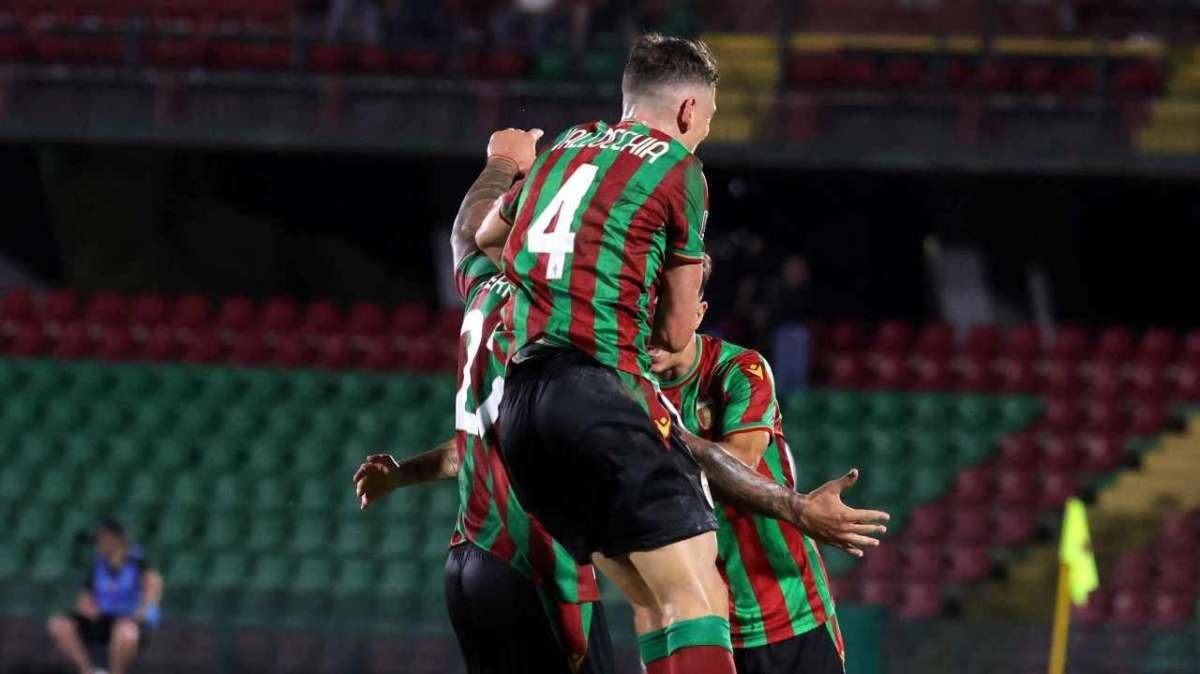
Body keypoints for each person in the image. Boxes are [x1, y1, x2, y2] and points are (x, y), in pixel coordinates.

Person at [473, 34, 887, 674]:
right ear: (690, 110)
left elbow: (482, 236)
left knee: (649, 600)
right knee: (696, 598)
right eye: (710, 120)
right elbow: (671, 332)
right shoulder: (677, 168)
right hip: (596, 389)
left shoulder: (568, 145)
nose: (704, 134)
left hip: (522, 408)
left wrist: (507, 170)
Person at [355, 128, 615, 674]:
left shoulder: (483, 290)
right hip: (538, 561)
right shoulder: (561, 313)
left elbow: (464, 235)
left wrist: (501, 161)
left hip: (470, 561)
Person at [652, 256, 850, 674]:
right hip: (698, 628)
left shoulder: (739, 368)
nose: (653, 327)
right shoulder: (623, 388)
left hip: (790, 614)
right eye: (643, 311)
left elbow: (739, 463)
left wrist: (659, 426)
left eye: (667, 311)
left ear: (699, 312)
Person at [46, 517, 163, 674]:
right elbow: (85, 599)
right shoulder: (97, 566)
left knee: (126, 632)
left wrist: (138, 612)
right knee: (58, 624)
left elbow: (151, 598)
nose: (98, 544)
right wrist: (88, 608)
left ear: (116, 539)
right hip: (102, 619)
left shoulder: (140, 564)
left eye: (102, 539)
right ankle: (88, 670)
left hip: (129, 621)